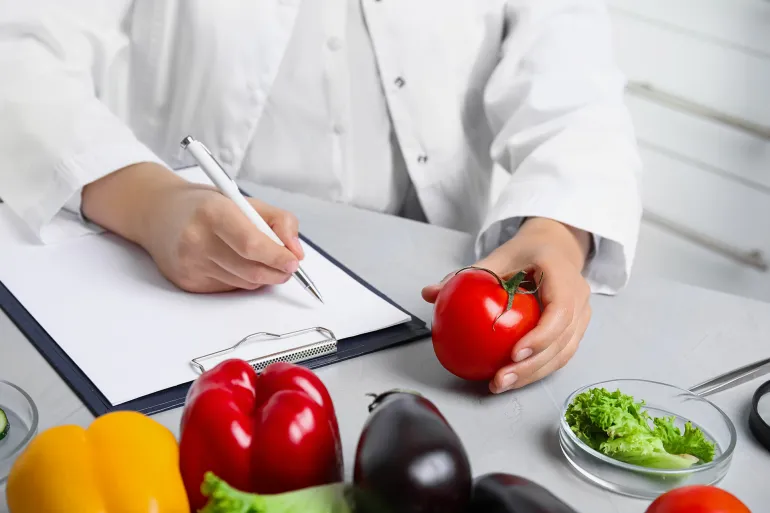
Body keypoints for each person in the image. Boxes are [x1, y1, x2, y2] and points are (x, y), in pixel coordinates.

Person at [0, 0, 642, 394]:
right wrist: (148, 199)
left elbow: (572, 73)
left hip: (428, 268)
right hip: (187, 258)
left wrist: (559, 229)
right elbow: (16, 48)